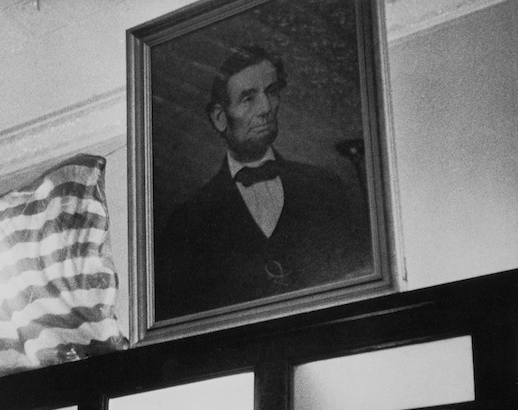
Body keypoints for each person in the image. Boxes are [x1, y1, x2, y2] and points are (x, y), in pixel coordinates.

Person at [155, 45, 372, 320]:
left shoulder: (325, 187)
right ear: (221, 118)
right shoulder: (187, 222)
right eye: (248, 98)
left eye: (271, 91)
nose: (266, 108)